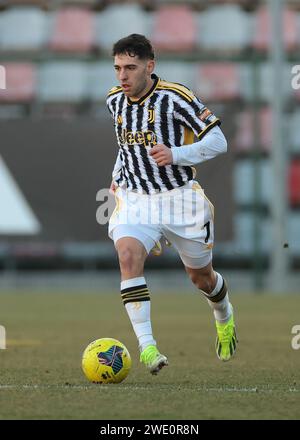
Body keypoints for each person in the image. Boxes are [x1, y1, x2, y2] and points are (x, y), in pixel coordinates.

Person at [106, 34, 237, 375]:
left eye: (130, 68)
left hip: (180, 200)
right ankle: (148, 349)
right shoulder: (114, 101)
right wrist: (117, 175)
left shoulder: (175, 97)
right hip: (135, 198)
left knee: (201, 278)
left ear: (150, 66)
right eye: (118, 67)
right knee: (127, 255)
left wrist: (176, 154)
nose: (122, 76)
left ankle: (223, 314)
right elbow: (125, 147)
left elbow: (218, 141)